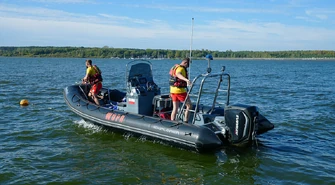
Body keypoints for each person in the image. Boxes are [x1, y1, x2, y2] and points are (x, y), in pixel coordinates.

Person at [169, 57, 192, 123]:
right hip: (180, 91)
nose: (187, 67)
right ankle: (186, 121)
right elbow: (178, 74)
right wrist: (187, 80)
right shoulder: (181, 68)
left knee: (175, 108)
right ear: (185, 63)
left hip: (172, 91)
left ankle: (172, 121)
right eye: (187, 66)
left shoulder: (175, 67)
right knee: (189, 105)